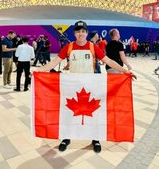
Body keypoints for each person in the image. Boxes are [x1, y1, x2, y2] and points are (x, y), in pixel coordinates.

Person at [38, 20, 136, 153]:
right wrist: (38, 72)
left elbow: (108, 61)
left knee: (94, 113)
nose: (80, 34)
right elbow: (55, 62)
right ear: (74, 33)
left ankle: (95, 138)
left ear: (86, 33)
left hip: (91, 86)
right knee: (69, 113)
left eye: (83, 31)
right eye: (78, 31)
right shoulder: (69, 47)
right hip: (73, 86)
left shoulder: (93, 47)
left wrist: (125, 71)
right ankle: (67, 138)